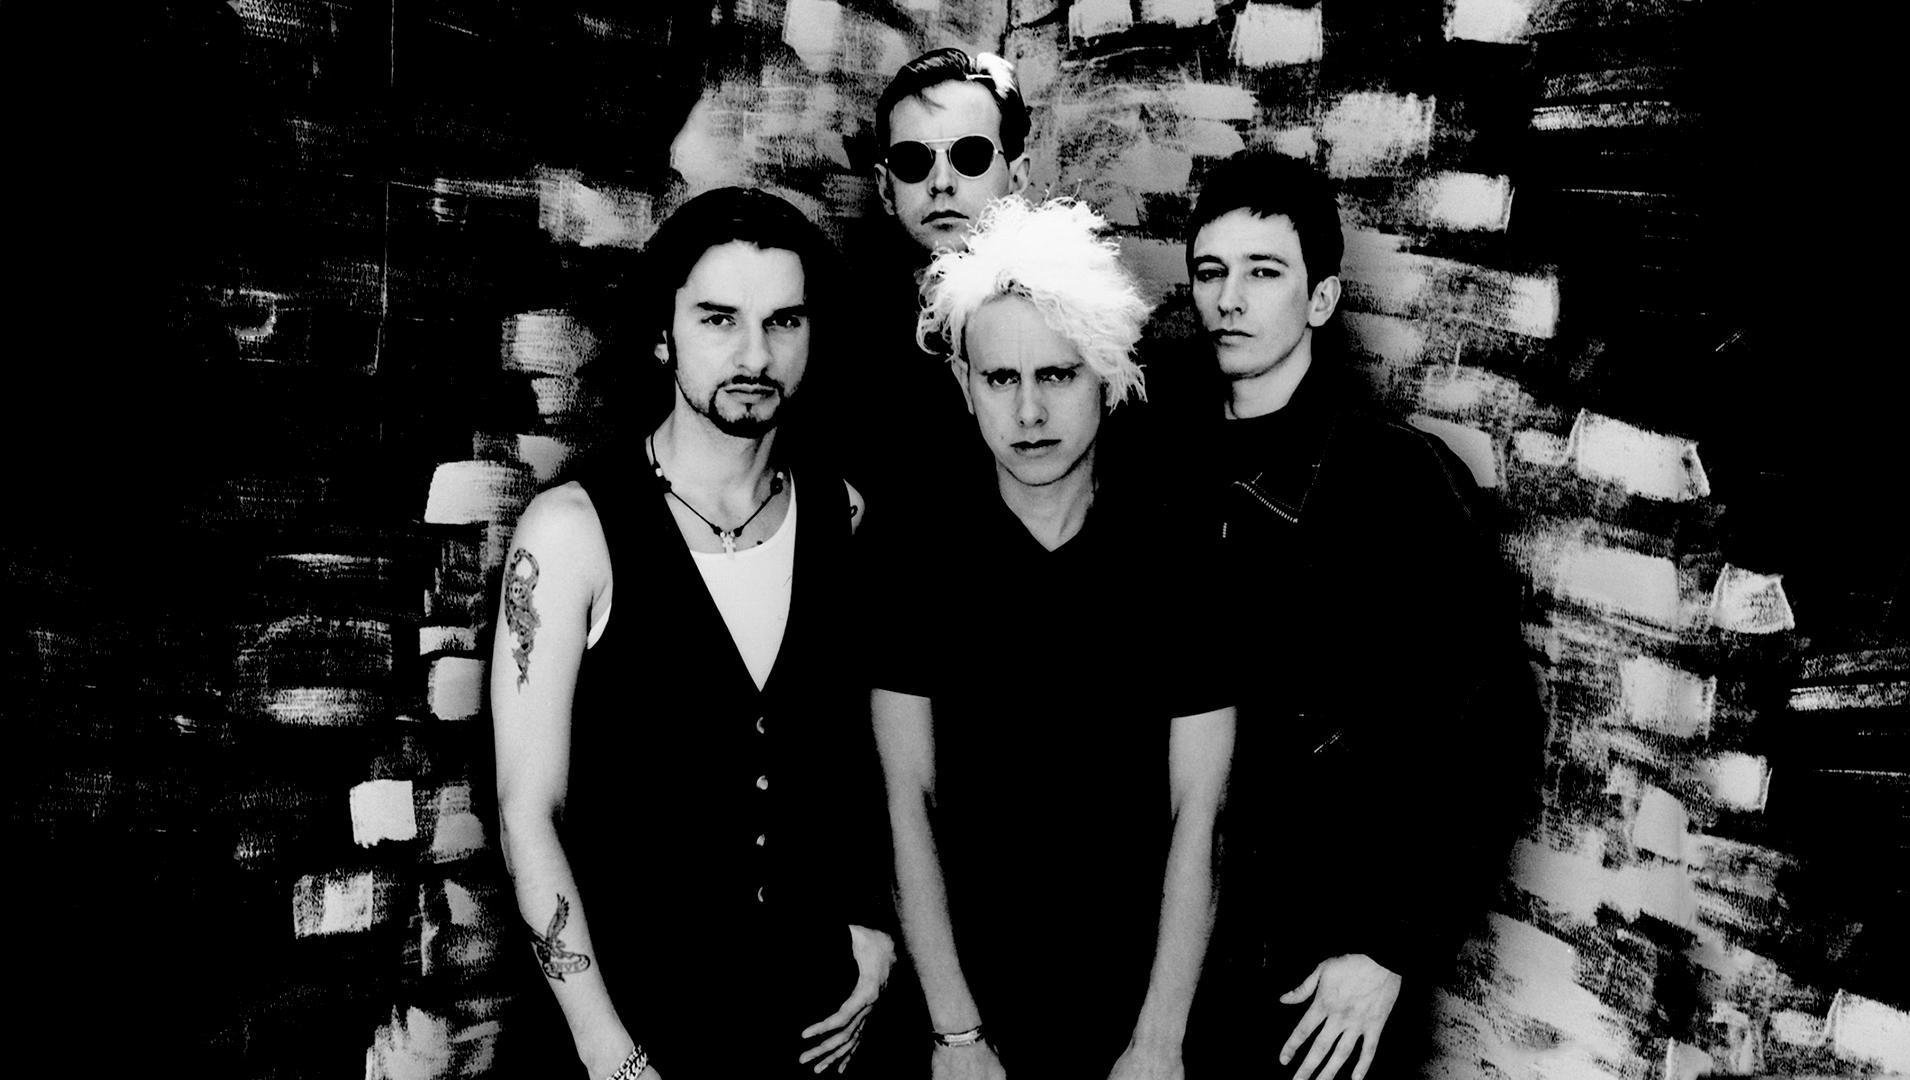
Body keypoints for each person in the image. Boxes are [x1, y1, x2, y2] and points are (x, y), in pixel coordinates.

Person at [488, 186, 900, 1079]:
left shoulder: (844, 514)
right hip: (634, 1034)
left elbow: (867, 763)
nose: (754, 354)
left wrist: (877, 930)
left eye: (784, 321)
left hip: (811, 1038)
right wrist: (610, 1053)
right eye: (719, 320)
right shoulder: (570, 533)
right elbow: (528, 813)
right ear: (663, 334)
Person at [1168, 153, 1542, 1080]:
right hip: (1172, 950)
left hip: (1325, 968)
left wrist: (1391, 946)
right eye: (1211, 272)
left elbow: (1492, 729)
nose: (1230, 299)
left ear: (1323, 298)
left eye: (1264, 272)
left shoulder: (1399, 478)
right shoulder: (1157, 465)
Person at [869, 196, 1237, 1080]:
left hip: (1140, 1010)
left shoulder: (1179, 554)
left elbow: (1202, 814)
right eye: (1002, 379)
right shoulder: (913, 554)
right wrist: (956, 1033)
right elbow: (905, 802)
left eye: (1059, 375)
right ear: (966, 386)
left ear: (1105, 376)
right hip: (968, 1013)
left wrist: (1158, 1040)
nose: (1030, 411)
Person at [813, 48, 1036, 528]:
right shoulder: (841, 340)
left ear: (1017, 176)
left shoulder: (1073, 324)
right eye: (913, 160)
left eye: (970, 155)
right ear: (884, 187)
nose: (941, 182)